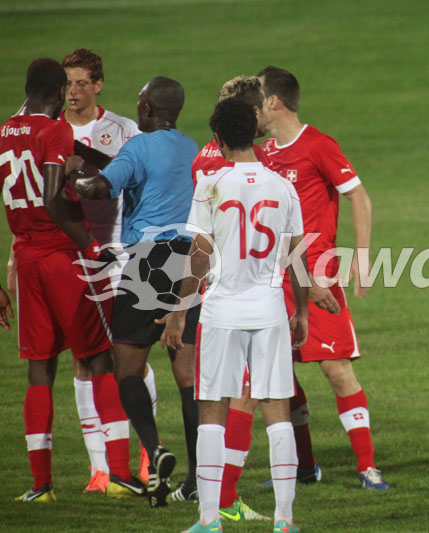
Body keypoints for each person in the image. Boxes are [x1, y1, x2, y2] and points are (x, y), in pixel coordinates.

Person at [1, 58, 142, 502]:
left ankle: (41, 485)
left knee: (39, 368)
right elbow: (53, 200)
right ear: (59, 91)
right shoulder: (55, 130)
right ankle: (118, 472)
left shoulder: (5, 130)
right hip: (65, 256)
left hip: (25, 258)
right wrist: (92, 247)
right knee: (99, 357)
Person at [164, 97, 306, 533]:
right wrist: (299, 311)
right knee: (277, 410)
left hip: (221, 310)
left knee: (212, 412)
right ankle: (284, 521)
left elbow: (201, 254)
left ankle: (209, 521)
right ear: (256, 133)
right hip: (269, 310)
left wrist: (178, 310)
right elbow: (296, 256)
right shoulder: (282, 186)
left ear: (220, 139)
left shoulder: (211, 183)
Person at [66, 76, 200, 507]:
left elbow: (100, 187)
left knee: (127, 367)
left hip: (149, 260)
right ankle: (197, 477)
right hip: (192, 262)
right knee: (187, 376)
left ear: (146, 111)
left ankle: (155, 447)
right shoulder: (192, 147)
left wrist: (72, 177)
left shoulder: (139, 147)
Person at [258, 66, 388, 490]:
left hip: (316, 274)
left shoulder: (318, 145)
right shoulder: (261, 154)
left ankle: (367, 466)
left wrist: (362, 257)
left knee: (336, 369)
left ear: (274, 102)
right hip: (272, 276)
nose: (252, 108)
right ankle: (305, 466)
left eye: (257, 98)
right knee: (278, 375)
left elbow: (359, 196)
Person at [59, 47, 157, 492]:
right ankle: (98, 467)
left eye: (82, 83)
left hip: (117, 255)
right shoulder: (51, 131)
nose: (73, 92)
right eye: (67, 83)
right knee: (83, 359)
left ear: (98, 85)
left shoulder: (124, 130)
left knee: (126, 356)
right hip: (68, 258)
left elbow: (136, 186)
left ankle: (145, 450)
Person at [181, 75, 272, 520]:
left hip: (216, 290)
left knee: (227, 394)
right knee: (239, 394)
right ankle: (223, 499)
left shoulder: (206, 158)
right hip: (236, 292)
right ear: (251, 116)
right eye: (262, 112)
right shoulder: (242, 165)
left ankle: (216, 499)